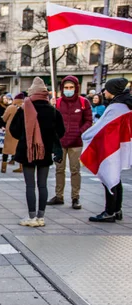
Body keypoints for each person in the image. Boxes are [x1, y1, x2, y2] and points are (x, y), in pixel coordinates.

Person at [10, 77, 65, 227]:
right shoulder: (53, 111)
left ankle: (31, 216)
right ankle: (41, 217)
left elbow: (13, 130)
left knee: (30, 185)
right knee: (43, 185)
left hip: (27, 151)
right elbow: (60, 132)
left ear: (32, 93)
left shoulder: (24, 108)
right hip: (45, 152)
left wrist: (26, 138)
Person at [85, 78, 131, 223]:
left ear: (113, 90)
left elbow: (101, 127)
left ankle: (109, 212)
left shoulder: (116, 107)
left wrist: (85, 136)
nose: (104, 92)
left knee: (109, 177)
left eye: (107, 89)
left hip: (111, 147)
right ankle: (117, 210)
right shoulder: (126, 104)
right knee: (116, 178)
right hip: (121, 146)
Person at [47, 76, 92, 210]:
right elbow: (51, 120)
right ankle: (59, 196)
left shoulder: (84, 102)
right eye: (66, 88)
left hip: (76, 142)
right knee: (59, 170)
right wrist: (51, 107)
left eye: (71, 87)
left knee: (75, 170)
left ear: (76, 88)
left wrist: (79, 131)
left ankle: (75, 197)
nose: (68, 90)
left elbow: (88, 120)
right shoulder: (58, 103)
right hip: (60, 142)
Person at [2, 93, 25, 173]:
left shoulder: (11, 107)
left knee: (6, 149)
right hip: (22, 130)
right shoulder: (26, 107)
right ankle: (21, 167)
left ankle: (3, 168)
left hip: (10, 131)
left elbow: (4, 118)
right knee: (20, 149)